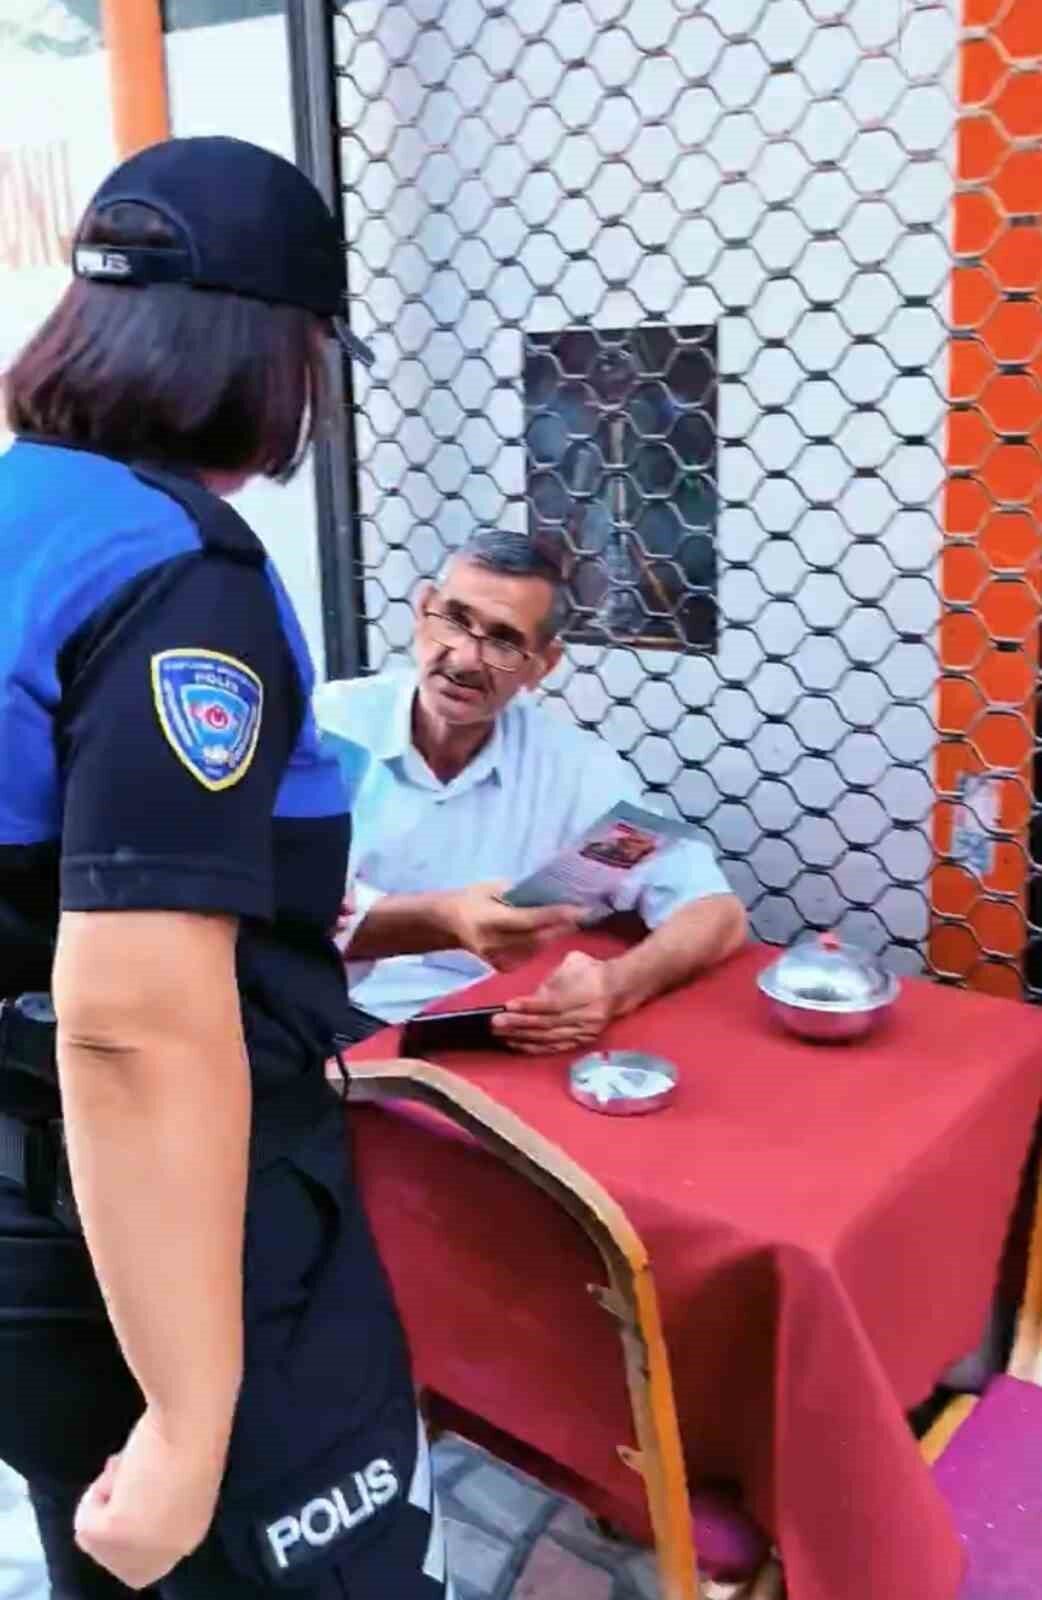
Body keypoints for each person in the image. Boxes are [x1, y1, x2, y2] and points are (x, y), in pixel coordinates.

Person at [0, 137, 451, 1600]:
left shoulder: (27, 515)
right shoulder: (176, 579)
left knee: (117, 1560)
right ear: (278, 350)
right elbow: (132, 1020)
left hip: (39, 1219)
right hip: (168, 1224)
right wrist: (196, 1419)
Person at [315, 531, 747, 1052]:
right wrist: (444, 918)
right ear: (423, 609)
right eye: (453, 619)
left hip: (485, 1031)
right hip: (327, 1021)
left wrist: (615, 986)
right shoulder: (326, 730)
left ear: (542, 665)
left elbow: (713, 912)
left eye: (502, 641)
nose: (465, 658)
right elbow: (269, 906)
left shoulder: (570, 769)